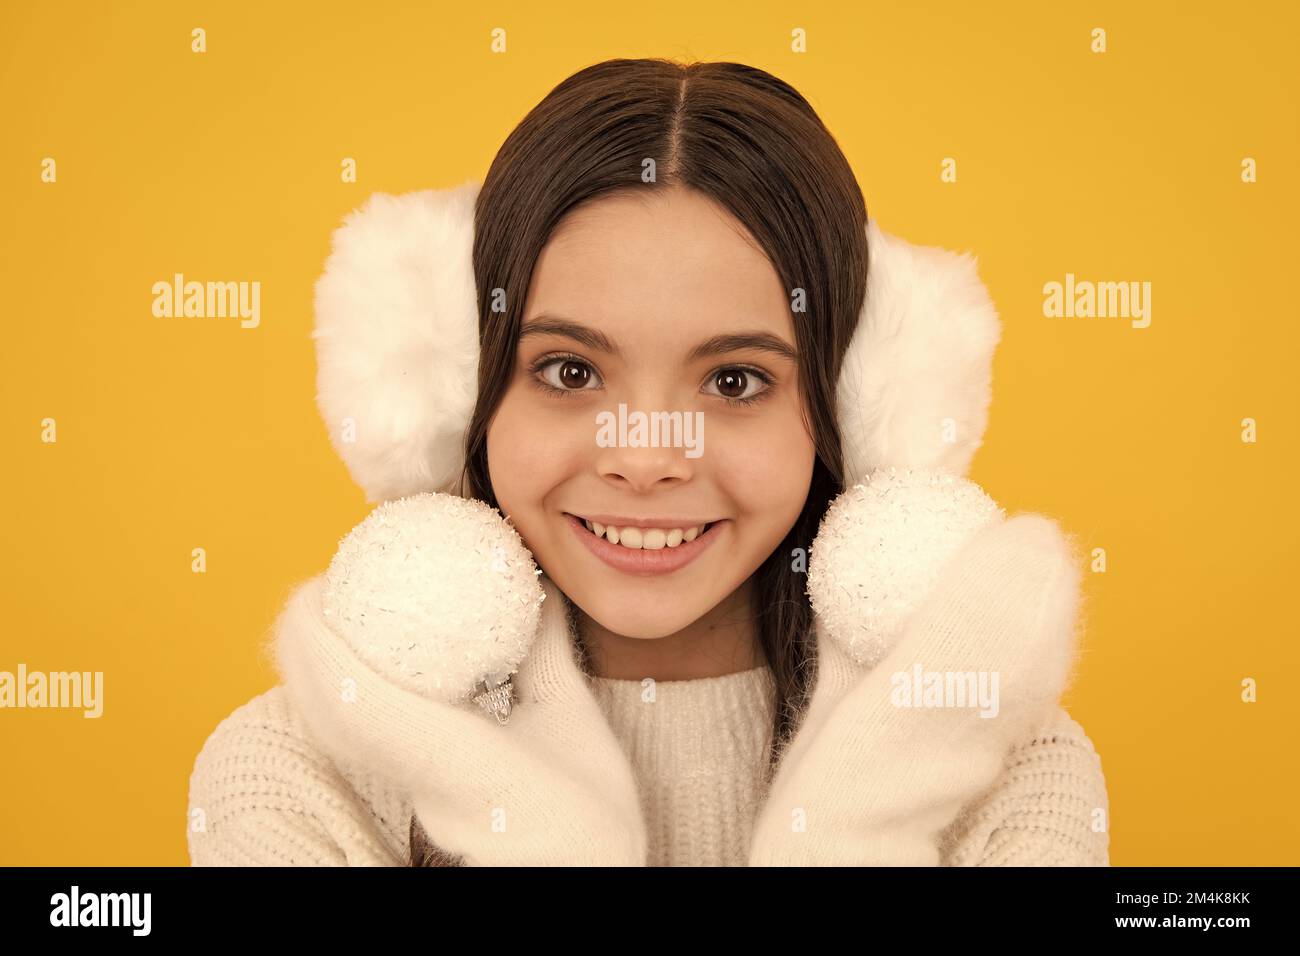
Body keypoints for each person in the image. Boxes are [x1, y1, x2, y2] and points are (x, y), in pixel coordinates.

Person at [187, 58, 1109, 867]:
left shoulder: (1009, 770)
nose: (645, 458)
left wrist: (860, 819)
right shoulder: (291, 774)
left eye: (736, 381)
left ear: (849, 411)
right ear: (464, 394)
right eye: (570, 370)